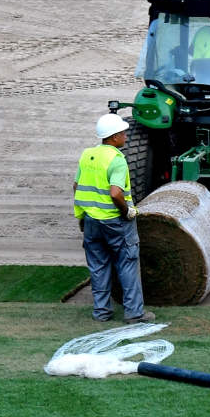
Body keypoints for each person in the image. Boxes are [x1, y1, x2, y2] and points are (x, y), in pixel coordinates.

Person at [74, 113, 154, 324]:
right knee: (127, 263)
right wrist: (127, 211)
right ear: (114, 137)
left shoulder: (87, 155)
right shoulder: (116, 159)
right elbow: (116, 193)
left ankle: (101, 312)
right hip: (115, 221)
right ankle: (134, 313)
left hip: (91, 221)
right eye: (123, 133)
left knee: (98, 266)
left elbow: (76, 187)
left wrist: (85, 213)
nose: (126, 135)